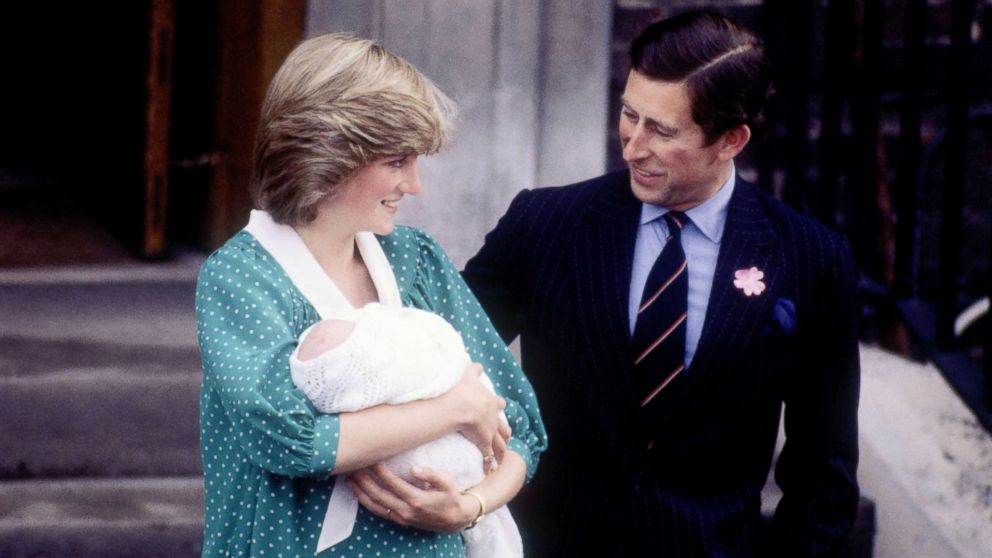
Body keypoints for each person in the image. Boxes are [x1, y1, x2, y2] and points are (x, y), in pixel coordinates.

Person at [462, 10, 860, 557]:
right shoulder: (544, 224)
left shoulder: (811, 259)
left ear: (731, 140)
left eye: (662, 130)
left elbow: (825, 474)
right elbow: (440, 358)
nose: (632, 145)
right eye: (630, 114)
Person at [195, 33, 546, 558]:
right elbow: (290, 440)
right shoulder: (241, 278)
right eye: (397, 161)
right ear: (329, 152)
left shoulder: (415, 259)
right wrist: (453, 409)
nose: (415, 184)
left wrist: (468, 506)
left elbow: (520, 427)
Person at [289, 303, 523, 557]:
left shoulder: (420, 270)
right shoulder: (258, 285)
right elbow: (300, 443)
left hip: (463, 523)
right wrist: (459, 407)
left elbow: (520, 440)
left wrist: (472, 506)